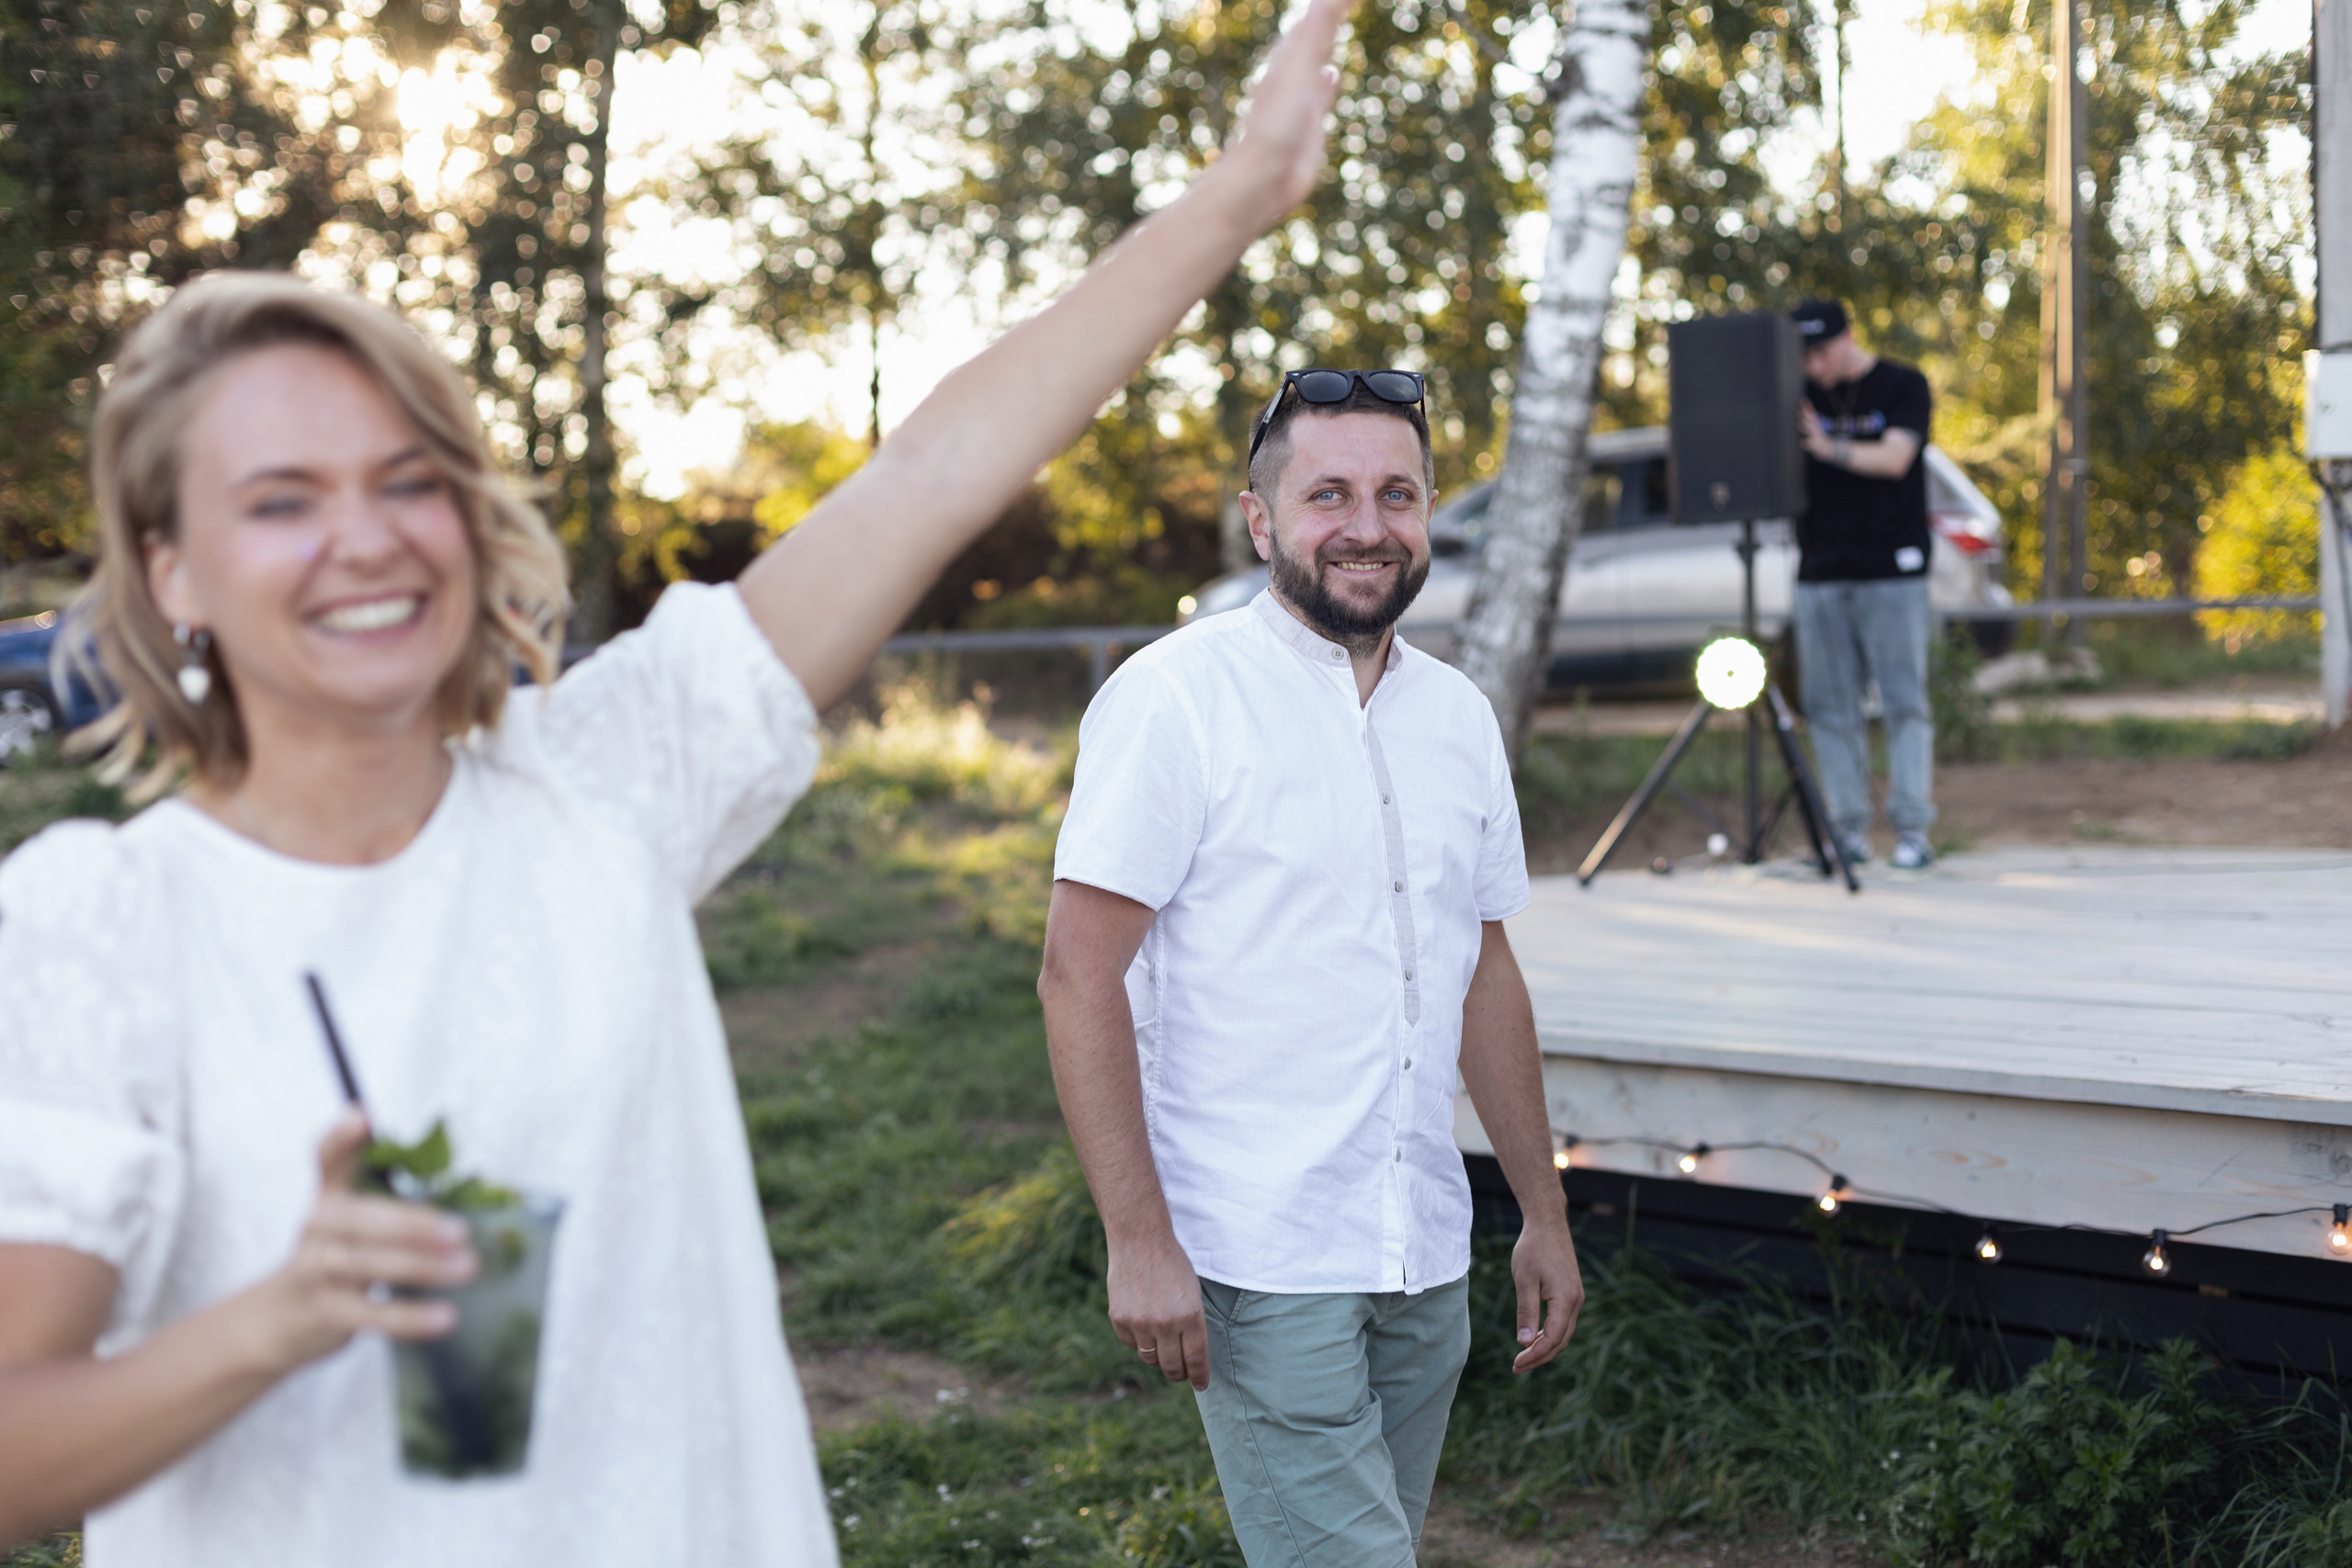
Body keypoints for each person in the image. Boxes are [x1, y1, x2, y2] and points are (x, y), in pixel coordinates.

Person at [0, 2, 1357, 1559]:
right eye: (281, 500)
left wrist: (1235, 196)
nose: (363, 537)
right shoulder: (101, 920)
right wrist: (275, 1318)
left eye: (404, 479)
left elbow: (933, 468)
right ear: (171, 567)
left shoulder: (609, 777)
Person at [1037, 370, 1585, 1568]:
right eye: (1328, 493)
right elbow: (1077, 973)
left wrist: (1541, 1212)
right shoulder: (1175, 699)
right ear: (1260, 518)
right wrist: (1137, 1236)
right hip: (1260, 1258)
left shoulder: (1459, 716)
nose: (1366, 526)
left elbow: (1483, 971)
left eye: (1398, 494)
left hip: (1422, 1252)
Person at [1790, 298, 1938, 870]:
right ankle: (1847, 831)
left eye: (1822, 352)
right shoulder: (1798, 394)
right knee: (1830, 709)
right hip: (1821, 574)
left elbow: (1896, 458)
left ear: (1849, 337)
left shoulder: (1902, 385)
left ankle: (1912, 831)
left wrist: (1828, 447)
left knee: (1903, 702)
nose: (1815, 365)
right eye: (1805, 356)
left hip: (1890, 573)